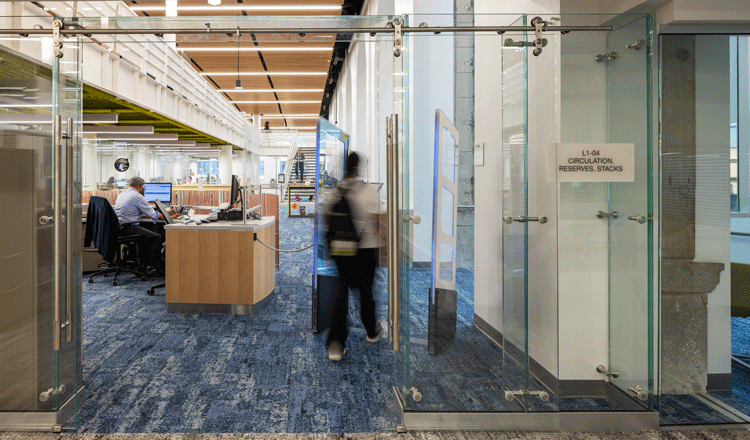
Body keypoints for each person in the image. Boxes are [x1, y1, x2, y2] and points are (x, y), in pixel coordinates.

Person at [324, 151, 382, 361]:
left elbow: (326, 221)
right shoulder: (369, 192)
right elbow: (375, 225)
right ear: (359, 168)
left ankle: (336, 344)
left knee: (340, 295)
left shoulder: (335, 192)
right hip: (365, 251)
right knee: (366, 292)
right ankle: (372, 331)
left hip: (341, 251)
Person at [114, 176, 177, 273]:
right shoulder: (137, 196)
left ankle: (143, 263)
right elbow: (153, 214)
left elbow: (131, 211)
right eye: (143, 187)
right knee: (156, 237)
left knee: (147, 233)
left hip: (119, 227)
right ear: (139, 187)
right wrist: (170, 217)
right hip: (129, 227)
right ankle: (155, 267)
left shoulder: (122, 194)